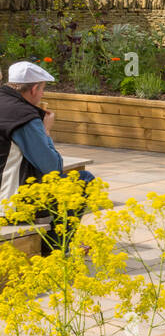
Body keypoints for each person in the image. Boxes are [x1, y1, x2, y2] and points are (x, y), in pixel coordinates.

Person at [0, 61, 96, 246]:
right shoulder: (24, 116)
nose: (43, 94)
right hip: (9, 208)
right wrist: (46, 131)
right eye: (43, 89)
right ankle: (55, 248)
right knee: (83, 180)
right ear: (34, 89)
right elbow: (52, 167)